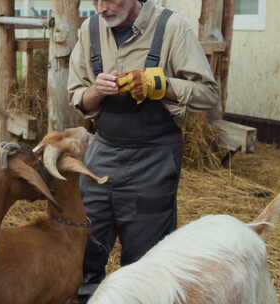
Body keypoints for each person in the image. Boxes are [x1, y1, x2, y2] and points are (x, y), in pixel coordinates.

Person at [67, 0, 221, 302]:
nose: (100, 8)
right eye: (94, 0)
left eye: (108, 0)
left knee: (145, 260)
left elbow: (209, 94)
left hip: (153, 158)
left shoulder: (171, 27)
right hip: (102, 153)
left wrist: (159, 83)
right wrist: (94, 92)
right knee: (85, 249)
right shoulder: (91, 30)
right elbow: (77, 96)